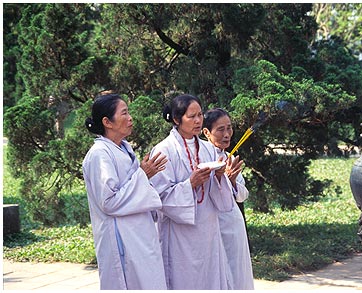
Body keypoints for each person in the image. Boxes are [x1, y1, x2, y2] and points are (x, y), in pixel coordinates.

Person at [82, 93, 168, 290]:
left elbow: (135, 186)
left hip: (141, 234)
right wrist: (143, 175)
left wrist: (144, 176)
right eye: (124, 113)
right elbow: (109, 201)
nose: (130, 118)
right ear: (107, 122)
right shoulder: (99, 154)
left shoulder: (124, 148)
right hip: (121, 238)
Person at [149, 94, 234, 290]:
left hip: (208, 229)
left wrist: (221, 176)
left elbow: (219, 196)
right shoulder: (163, 151)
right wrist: (190, 184)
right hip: (180, 233)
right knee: (184, 280)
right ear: (177, 120)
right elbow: (159, 197)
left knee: (209, 278)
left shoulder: (208, 149)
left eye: (200, 115)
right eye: (191, 116)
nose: (198, 120)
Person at [202, 108, 255, 290]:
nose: (227, 135)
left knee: (238, 274)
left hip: (233, 224)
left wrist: (232, 181)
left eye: (229, 128)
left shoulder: (228, 157)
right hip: (213, 224)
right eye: (220, 130)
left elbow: (242, 195)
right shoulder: (202, 156)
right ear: (206, 132)